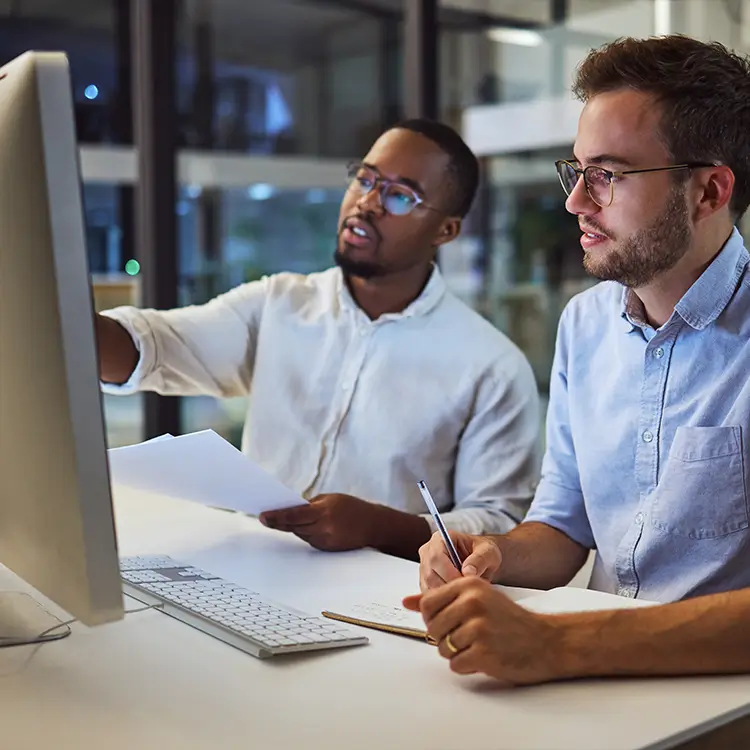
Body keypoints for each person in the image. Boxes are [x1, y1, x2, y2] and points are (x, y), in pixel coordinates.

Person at [407, 35, 750, 685]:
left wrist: (559, 644)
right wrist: (494, 555)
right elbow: (564, 529)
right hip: (598, 686)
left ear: (709, 192)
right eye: (578, 171)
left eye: (608, 176)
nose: (575, 203)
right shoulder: (585, 326)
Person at [97, 118, 540, 560]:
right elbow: (154, 347)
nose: (367, 203)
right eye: (366, 179)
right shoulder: (279, 303)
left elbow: (497, 521)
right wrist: (61, 317)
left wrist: (381, 528)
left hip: (381, 594)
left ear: (446, 231)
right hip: (249, 564)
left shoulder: (491, 364)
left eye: (400, 196)